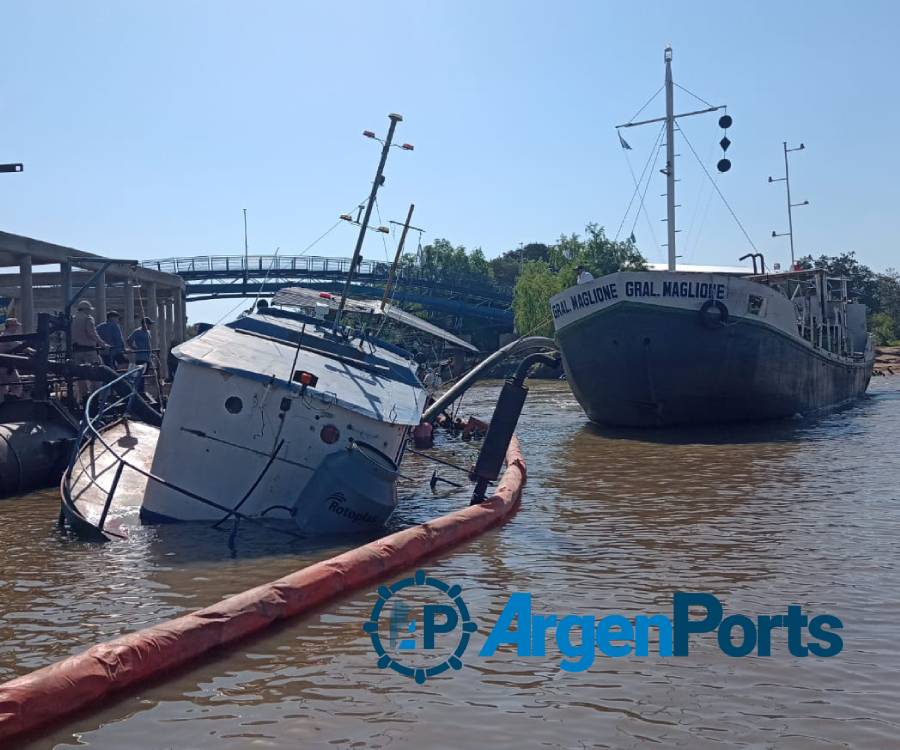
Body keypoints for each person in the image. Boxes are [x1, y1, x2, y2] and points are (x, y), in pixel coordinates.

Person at [70, 300, 109, 405]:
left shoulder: (72, 319)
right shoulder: (88, 319)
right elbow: (92, 333)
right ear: (86, 310)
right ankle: (95, 398)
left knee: (80, 375)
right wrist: (103, 344)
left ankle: (84, 397)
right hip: (89, 350)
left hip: (76, 350)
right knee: (96, 374)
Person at [127, 316, 155, 395]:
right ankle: (139, 392)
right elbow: (129, 340)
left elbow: (148, 344)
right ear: (144, 324)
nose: (150, 326)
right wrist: (135, 348)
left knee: (144, 375)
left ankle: (141, 391)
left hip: (147, 357)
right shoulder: (137, 332)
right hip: (140, 357)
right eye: (149, 324)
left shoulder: (148, 332)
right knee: (140, 375)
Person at [0, 318, 25, 400]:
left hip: (3, 366)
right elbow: (20, 346)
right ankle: (15, 401)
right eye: (16, 326)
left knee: (2, 388)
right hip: (6, 366)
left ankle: (4, 406)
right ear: (11, 326)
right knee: (17, 385)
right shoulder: (8, 336)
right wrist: (34, 351)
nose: (17, 328)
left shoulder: (3, 335)